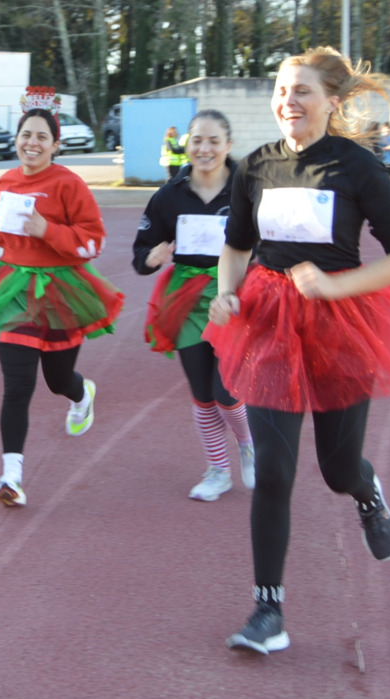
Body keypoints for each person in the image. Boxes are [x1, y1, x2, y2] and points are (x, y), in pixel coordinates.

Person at [204, 47, 390, 655]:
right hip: (268, 324)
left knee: (336, 468)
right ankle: (269, 610)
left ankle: (366, 495)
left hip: (340, 323)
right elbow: (237, 245)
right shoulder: (256, 167)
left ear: (331, 102)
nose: (288, 102)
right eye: (282, 91)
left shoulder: (358, 166)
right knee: (273, 470)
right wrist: (225, 294)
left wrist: (335, 285)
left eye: (302, 91)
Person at [0, 97, 124, 508]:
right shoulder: (1, 185)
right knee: (18, 385)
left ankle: (81, 394)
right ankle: (11, 476)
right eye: (26, 134)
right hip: (11, 290)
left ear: (55, 145)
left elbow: (93, 242)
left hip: (62, 290)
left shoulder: (69, 185)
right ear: (17, 139)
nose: (32, 142)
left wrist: (48, 229)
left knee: (56, 380)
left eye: (42, 137)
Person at [132, 110, 254, 502]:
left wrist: (238, 290)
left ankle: (248, 446)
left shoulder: (249, 190)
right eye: (197, 140)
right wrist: (151, 257)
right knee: (202, 393)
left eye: (214, 141)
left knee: (227, 391)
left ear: (228, 146)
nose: (204, 148)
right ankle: (217, 470)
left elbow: (268, 248)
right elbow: (140, 251)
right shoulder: (169, 196)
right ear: (187, 143)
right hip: (184, 300)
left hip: (235, 298)